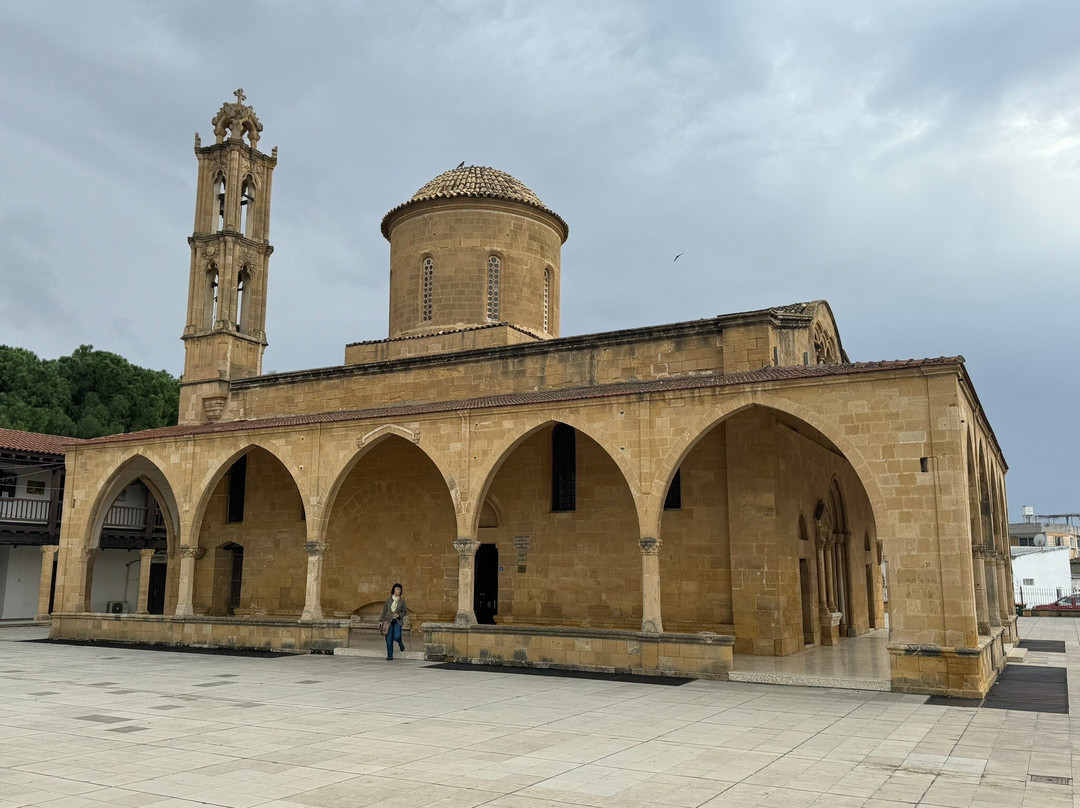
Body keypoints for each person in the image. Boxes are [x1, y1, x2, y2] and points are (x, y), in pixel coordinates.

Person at [381, 583, 408, 660]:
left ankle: (400, 643)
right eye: (397, 589)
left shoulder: (402, 601)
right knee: (389, 639)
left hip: (397, 621)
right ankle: (390, 655)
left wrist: (399, 615)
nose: (398, 591)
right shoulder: (388, 600)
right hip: (388, 621)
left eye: (399, 589)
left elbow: (405, 612)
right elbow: (384, 611)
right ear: (393, 590)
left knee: (397, 636)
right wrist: (380, 620)